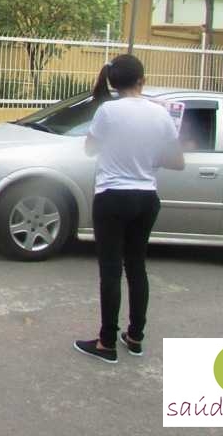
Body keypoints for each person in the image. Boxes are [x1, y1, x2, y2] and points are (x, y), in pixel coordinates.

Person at [74, 54, 184, 364]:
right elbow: (177, 161)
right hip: (146, 197)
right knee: (137, 267)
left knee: (111, 270)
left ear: (112, 82)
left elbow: (90, 149)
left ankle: (106, 342)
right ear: (142, 81)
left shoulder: (108, 111)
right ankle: (135, 337)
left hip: (112, 196)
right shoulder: (161, 114)